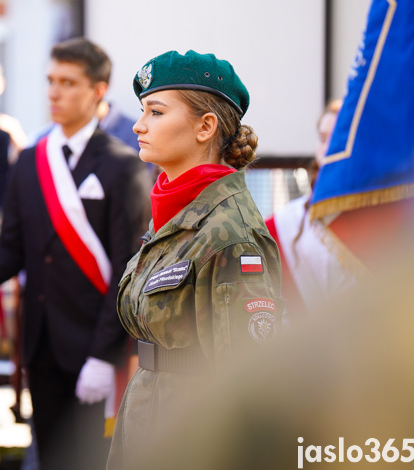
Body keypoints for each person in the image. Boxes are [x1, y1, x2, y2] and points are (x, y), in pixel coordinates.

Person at [106, 50, 283, 469]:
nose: (138, 124)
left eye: (156, 111)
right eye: (142, 110)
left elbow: (250, 384)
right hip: (148, 414)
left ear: (206, 126)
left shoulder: (231, 234)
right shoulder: (180, 215)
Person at [0, 38, 152, 470]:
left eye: (68, 83)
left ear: (98, 91)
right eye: (50, 81)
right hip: (41, 345)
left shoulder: (123, 165)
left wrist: (102, 355)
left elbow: (125, 270)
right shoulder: (30, 161)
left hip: (98, 347)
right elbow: (9, 253)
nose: (54, 93)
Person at [265, 100, 359, 317]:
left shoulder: (383, 215)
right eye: (322, 138)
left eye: (336, 138)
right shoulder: (283, 223)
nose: (327, 148)